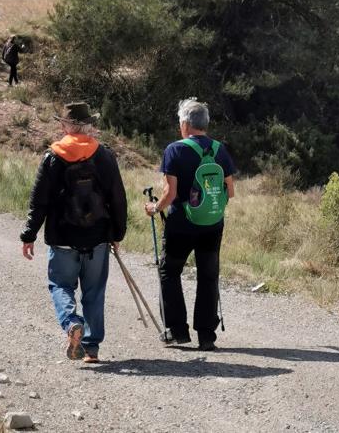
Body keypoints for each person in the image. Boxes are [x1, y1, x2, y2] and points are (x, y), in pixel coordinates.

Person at [20, 102, 127, 364]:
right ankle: (91, 349)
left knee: (60, 285)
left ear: (66, 126)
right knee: (94, 292)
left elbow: (40, 201)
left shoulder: (53, 157)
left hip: (62, 238)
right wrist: (117, 233)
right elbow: (118, 198)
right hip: (98, 238)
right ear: (88, 125)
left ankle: (71, 323)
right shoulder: (104, 156)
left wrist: (29, 235)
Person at [144, 98, 236, 352]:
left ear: (184, 124)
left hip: (181, 225)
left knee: (169, 272)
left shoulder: (175, 150)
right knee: (208, 276)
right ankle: (206, 336)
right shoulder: (220, 149)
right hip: (213, 224)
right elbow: (231, 191)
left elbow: (170, 193)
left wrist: (154, 208)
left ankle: (177, 331)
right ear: (205, 124)